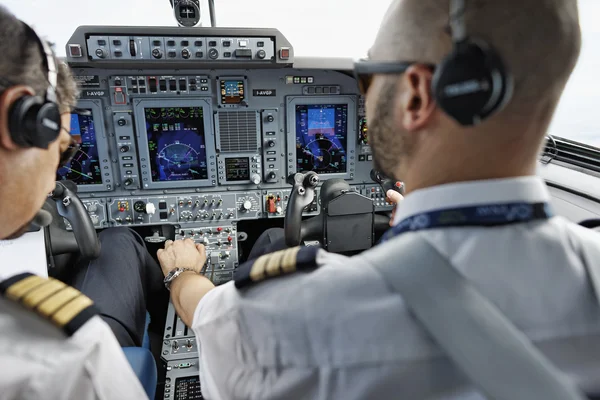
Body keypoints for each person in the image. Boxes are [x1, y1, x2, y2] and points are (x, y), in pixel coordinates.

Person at [158, 0, 600, 398]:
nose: (364, 94)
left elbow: (207, 314)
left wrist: (182, 271)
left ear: (416, 96)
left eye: (367, 75)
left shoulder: (292, 318)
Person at [0, 7, 165, 399]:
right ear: (17, 120)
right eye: (61, 151)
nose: (54, 177)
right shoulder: (75, 361)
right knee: (120, 239)